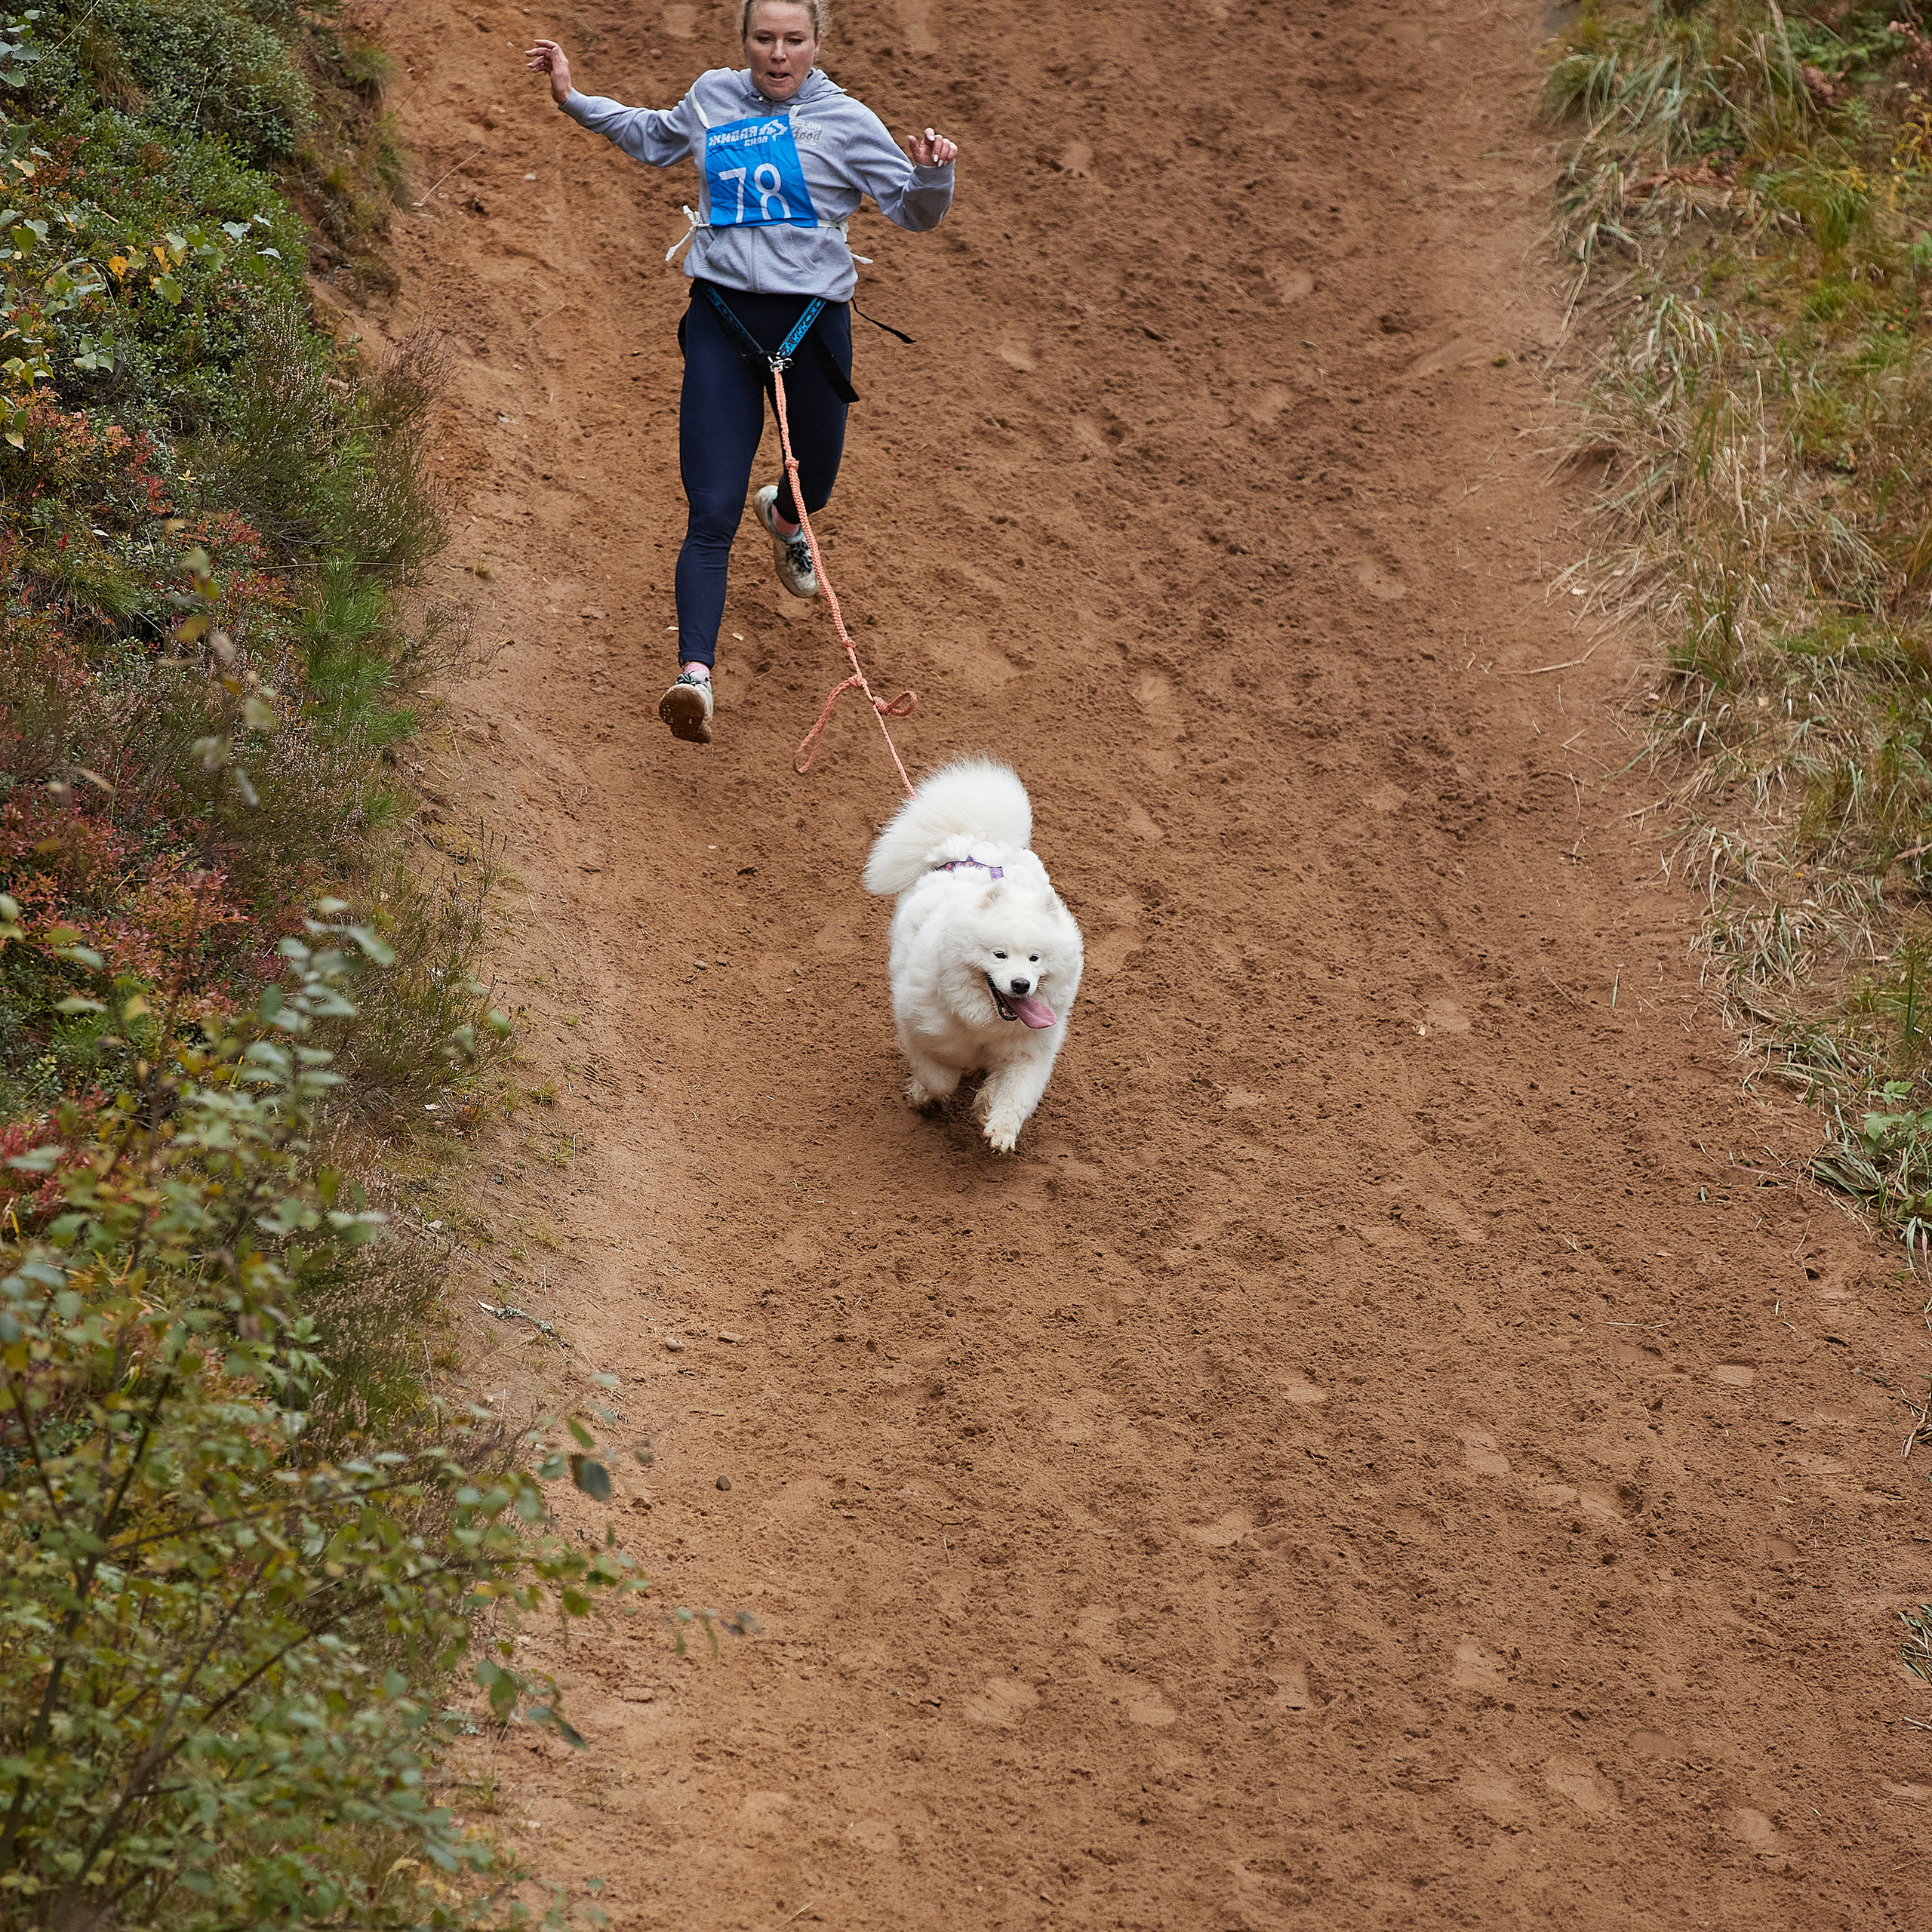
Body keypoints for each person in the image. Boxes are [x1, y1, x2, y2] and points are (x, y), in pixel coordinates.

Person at [526, 3, 958, 746]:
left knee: (811, 486)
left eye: (794, 40)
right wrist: (572, 98)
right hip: (721, 324)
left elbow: (912, 212)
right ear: (745, 42)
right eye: (765, 38)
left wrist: (932, 176)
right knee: (711, 507)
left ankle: (785, 520)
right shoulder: (712, 98)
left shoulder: (849, 121)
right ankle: (693, 676)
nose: (778, 54)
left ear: (818, 44)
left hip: (811, 329)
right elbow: (651, 135)